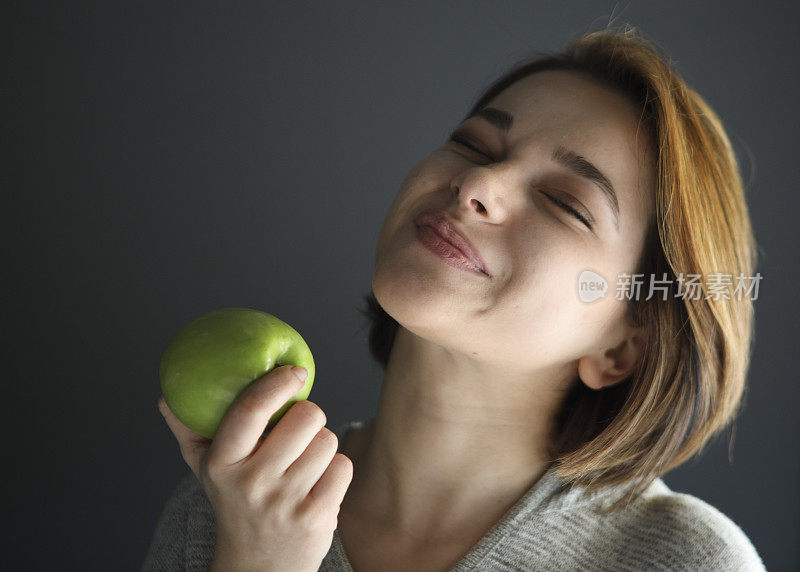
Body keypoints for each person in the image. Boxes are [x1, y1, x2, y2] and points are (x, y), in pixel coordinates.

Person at [142, 25, 766, 571]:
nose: (478, 182)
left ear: (623, 348)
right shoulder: (224, 509)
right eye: (473, 144)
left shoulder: (689, 562)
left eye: (565, 203)